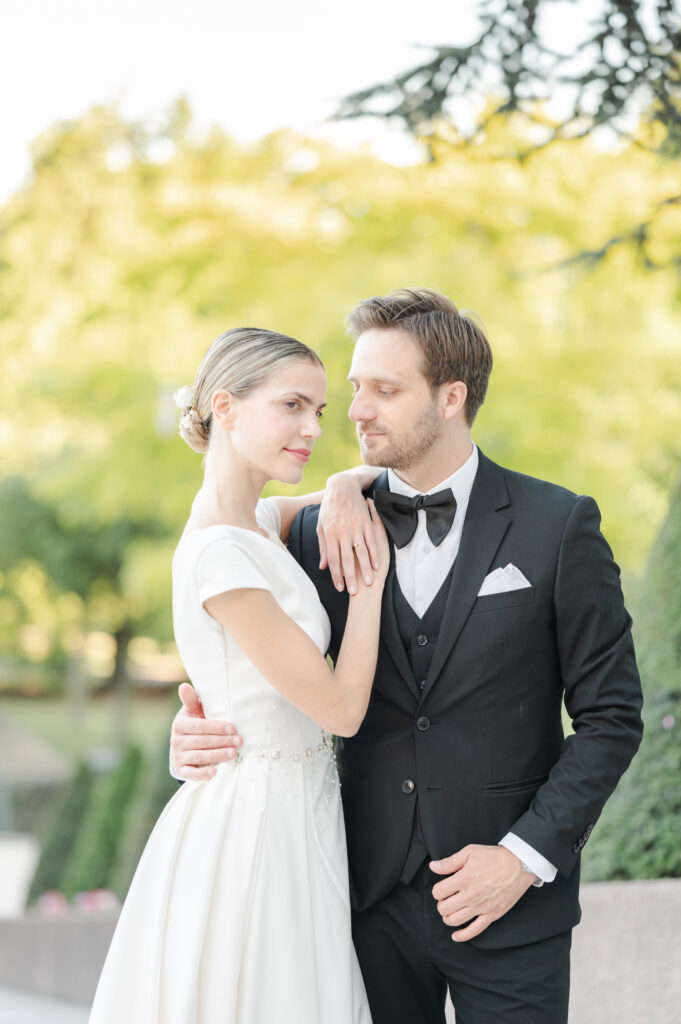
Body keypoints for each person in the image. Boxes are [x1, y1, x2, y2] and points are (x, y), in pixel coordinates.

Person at [171, 290, 644, 1024]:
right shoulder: (309, 535)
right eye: (354, 388)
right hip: (356, 903)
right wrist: (199, 727)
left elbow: (611, 717)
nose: (355, 412)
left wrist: (523, 858)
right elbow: (247, 653)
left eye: (384, 391)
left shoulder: (557, 525)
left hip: (510, 909)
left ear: (451, 397)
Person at [90, 327, 390, 1023]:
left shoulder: (253, 520)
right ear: (224, 407)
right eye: (291, 405)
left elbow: (307, 504)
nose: (312, 428)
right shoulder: (218, 556)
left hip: (299, 808)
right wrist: (368, 581)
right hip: (258, 824)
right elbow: (342, 710)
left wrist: (343, 484)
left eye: (318, 410)